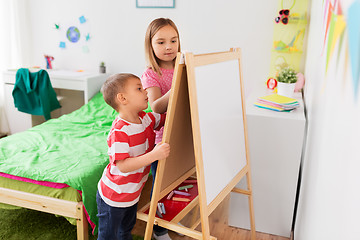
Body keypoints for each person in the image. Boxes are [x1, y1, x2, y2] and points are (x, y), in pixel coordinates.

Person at [97, 73, 170, 240]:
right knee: (109, 235)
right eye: (139, 88)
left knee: (125, 231)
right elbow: (122, 165)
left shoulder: (145, 119)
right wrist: (153, 155)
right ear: (122, 98)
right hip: (113, 196)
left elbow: (167, 118)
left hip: (132, 193)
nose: (145, 92)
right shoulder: (120, 130)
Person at [141, 17, 181, 240]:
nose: (168, 47)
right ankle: (158, 228)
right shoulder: (150, 73)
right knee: (161, 187)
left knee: (178, 181)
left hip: (182, 135)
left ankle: (172, 218)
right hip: (161, 140)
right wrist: (177, 85)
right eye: (161, 42)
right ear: (151, 45)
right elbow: (155, 106)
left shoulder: (182, 66)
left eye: (173, 41)